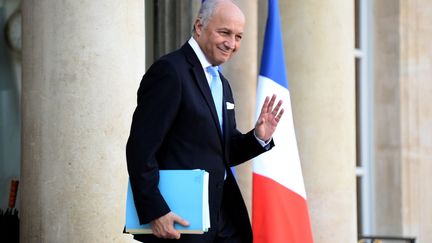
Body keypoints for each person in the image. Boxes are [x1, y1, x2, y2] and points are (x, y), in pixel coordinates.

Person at [126, 0, 284, 242]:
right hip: (180, 224)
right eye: (225, 32)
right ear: (199, 26)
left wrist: (258, 137)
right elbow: (140, 149)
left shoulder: (222, 83)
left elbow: (224, 151)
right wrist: (155, 211)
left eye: (239, 36)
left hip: (222, 220)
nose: (232, 44)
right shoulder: (170, 71)